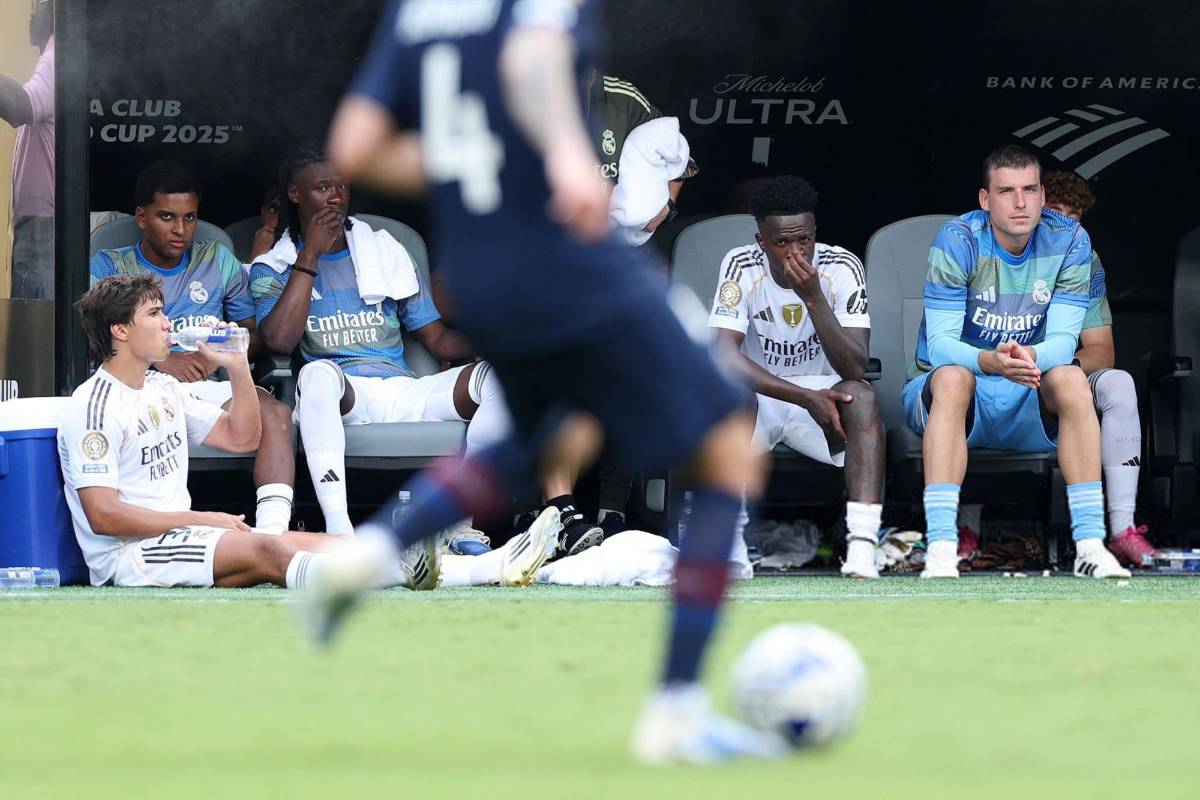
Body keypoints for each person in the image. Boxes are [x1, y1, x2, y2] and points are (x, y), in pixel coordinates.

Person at [318, 0, 787, 764]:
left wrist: (474, 165)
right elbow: (533, 60)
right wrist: (566, 152)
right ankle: (677, 710)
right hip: (562, 254)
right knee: (727, 435)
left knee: (547, 434)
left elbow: (353, 148)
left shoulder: (414, 15)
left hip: (480, 271)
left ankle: (371, 553)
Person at [249, 142, 508, 548]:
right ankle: (339, 533)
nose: (336, 197)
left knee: (500, 377)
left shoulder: (385, 249)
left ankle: (461, 526)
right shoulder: (273, 266)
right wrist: (311, 254)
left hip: (403, 388)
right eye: (322, 188)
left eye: (342, 186)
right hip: (342, 396)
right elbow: (278, 339)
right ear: (295, 194)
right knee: (316, 374)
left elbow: (437, 339)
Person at [902, 145, 1130, 580]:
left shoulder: (1070, 239)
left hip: (1028, 384)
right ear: (985, 199)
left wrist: (1029, 357)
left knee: (1071, 378)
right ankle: (942, 548)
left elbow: (1064, 341)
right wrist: (990, 361)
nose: (1020, 202)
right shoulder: (959, 239)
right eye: (1006, 191)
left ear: (1043, 195)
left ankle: (1090, 545)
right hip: (959, 393)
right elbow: (942, 346)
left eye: (1029, 189)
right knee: (951, 378)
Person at [60, 274, 335, 588]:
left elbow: (242, 438)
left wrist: (237, 365)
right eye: (154, 314)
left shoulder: (163, 387)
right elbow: (103, 516)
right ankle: (344, 585)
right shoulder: (93, 405)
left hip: (182, 535)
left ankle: (376, 570)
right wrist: (201, 518)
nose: (167, 324)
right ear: (120, 330)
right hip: (131, 553)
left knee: (335, 544)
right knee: (269, 548)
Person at [90, 161, 297, 533]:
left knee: (277, 415)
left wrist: (217, 354)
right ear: (142, 217)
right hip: (140, 389)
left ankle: (272, 532)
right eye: (166, 217)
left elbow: (253, 334)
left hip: (210, 388)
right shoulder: (111, 265)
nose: (180, 229)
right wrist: (163, 362)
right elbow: (96, 338)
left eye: (190, 217)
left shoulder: (216, 258)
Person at [710, 175, 885, 579]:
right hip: (764, 398)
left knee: (862, 397)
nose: (796, 252)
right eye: (781, 243)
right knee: (729, 392)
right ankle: (730, 543)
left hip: (824, 399)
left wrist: (813, 297)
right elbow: (723, 354)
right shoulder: (740, 264)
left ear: (815, 231)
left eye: (804, 239)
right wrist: (805, 397)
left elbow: (855, 368)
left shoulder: (842, 266)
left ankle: (862, 546)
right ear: (761, 241)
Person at [1042, 170, 1158, 567]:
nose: (1064, 225)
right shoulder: (1004, 249)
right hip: (1001, 376)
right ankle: (966, 527)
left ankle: (1123, 529)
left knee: (1119, 383)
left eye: (1073, 218)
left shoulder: (1086, 262)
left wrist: (1062, 367)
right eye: (1054, 213)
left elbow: (1101, 351)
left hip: (1057, 381)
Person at [0, 0, 54, 300]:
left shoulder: (61, 51)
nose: (32, 14)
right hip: (40, 224)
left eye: (41, 5)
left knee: (37, 315)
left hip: (45, 226)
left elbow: (22, 106)